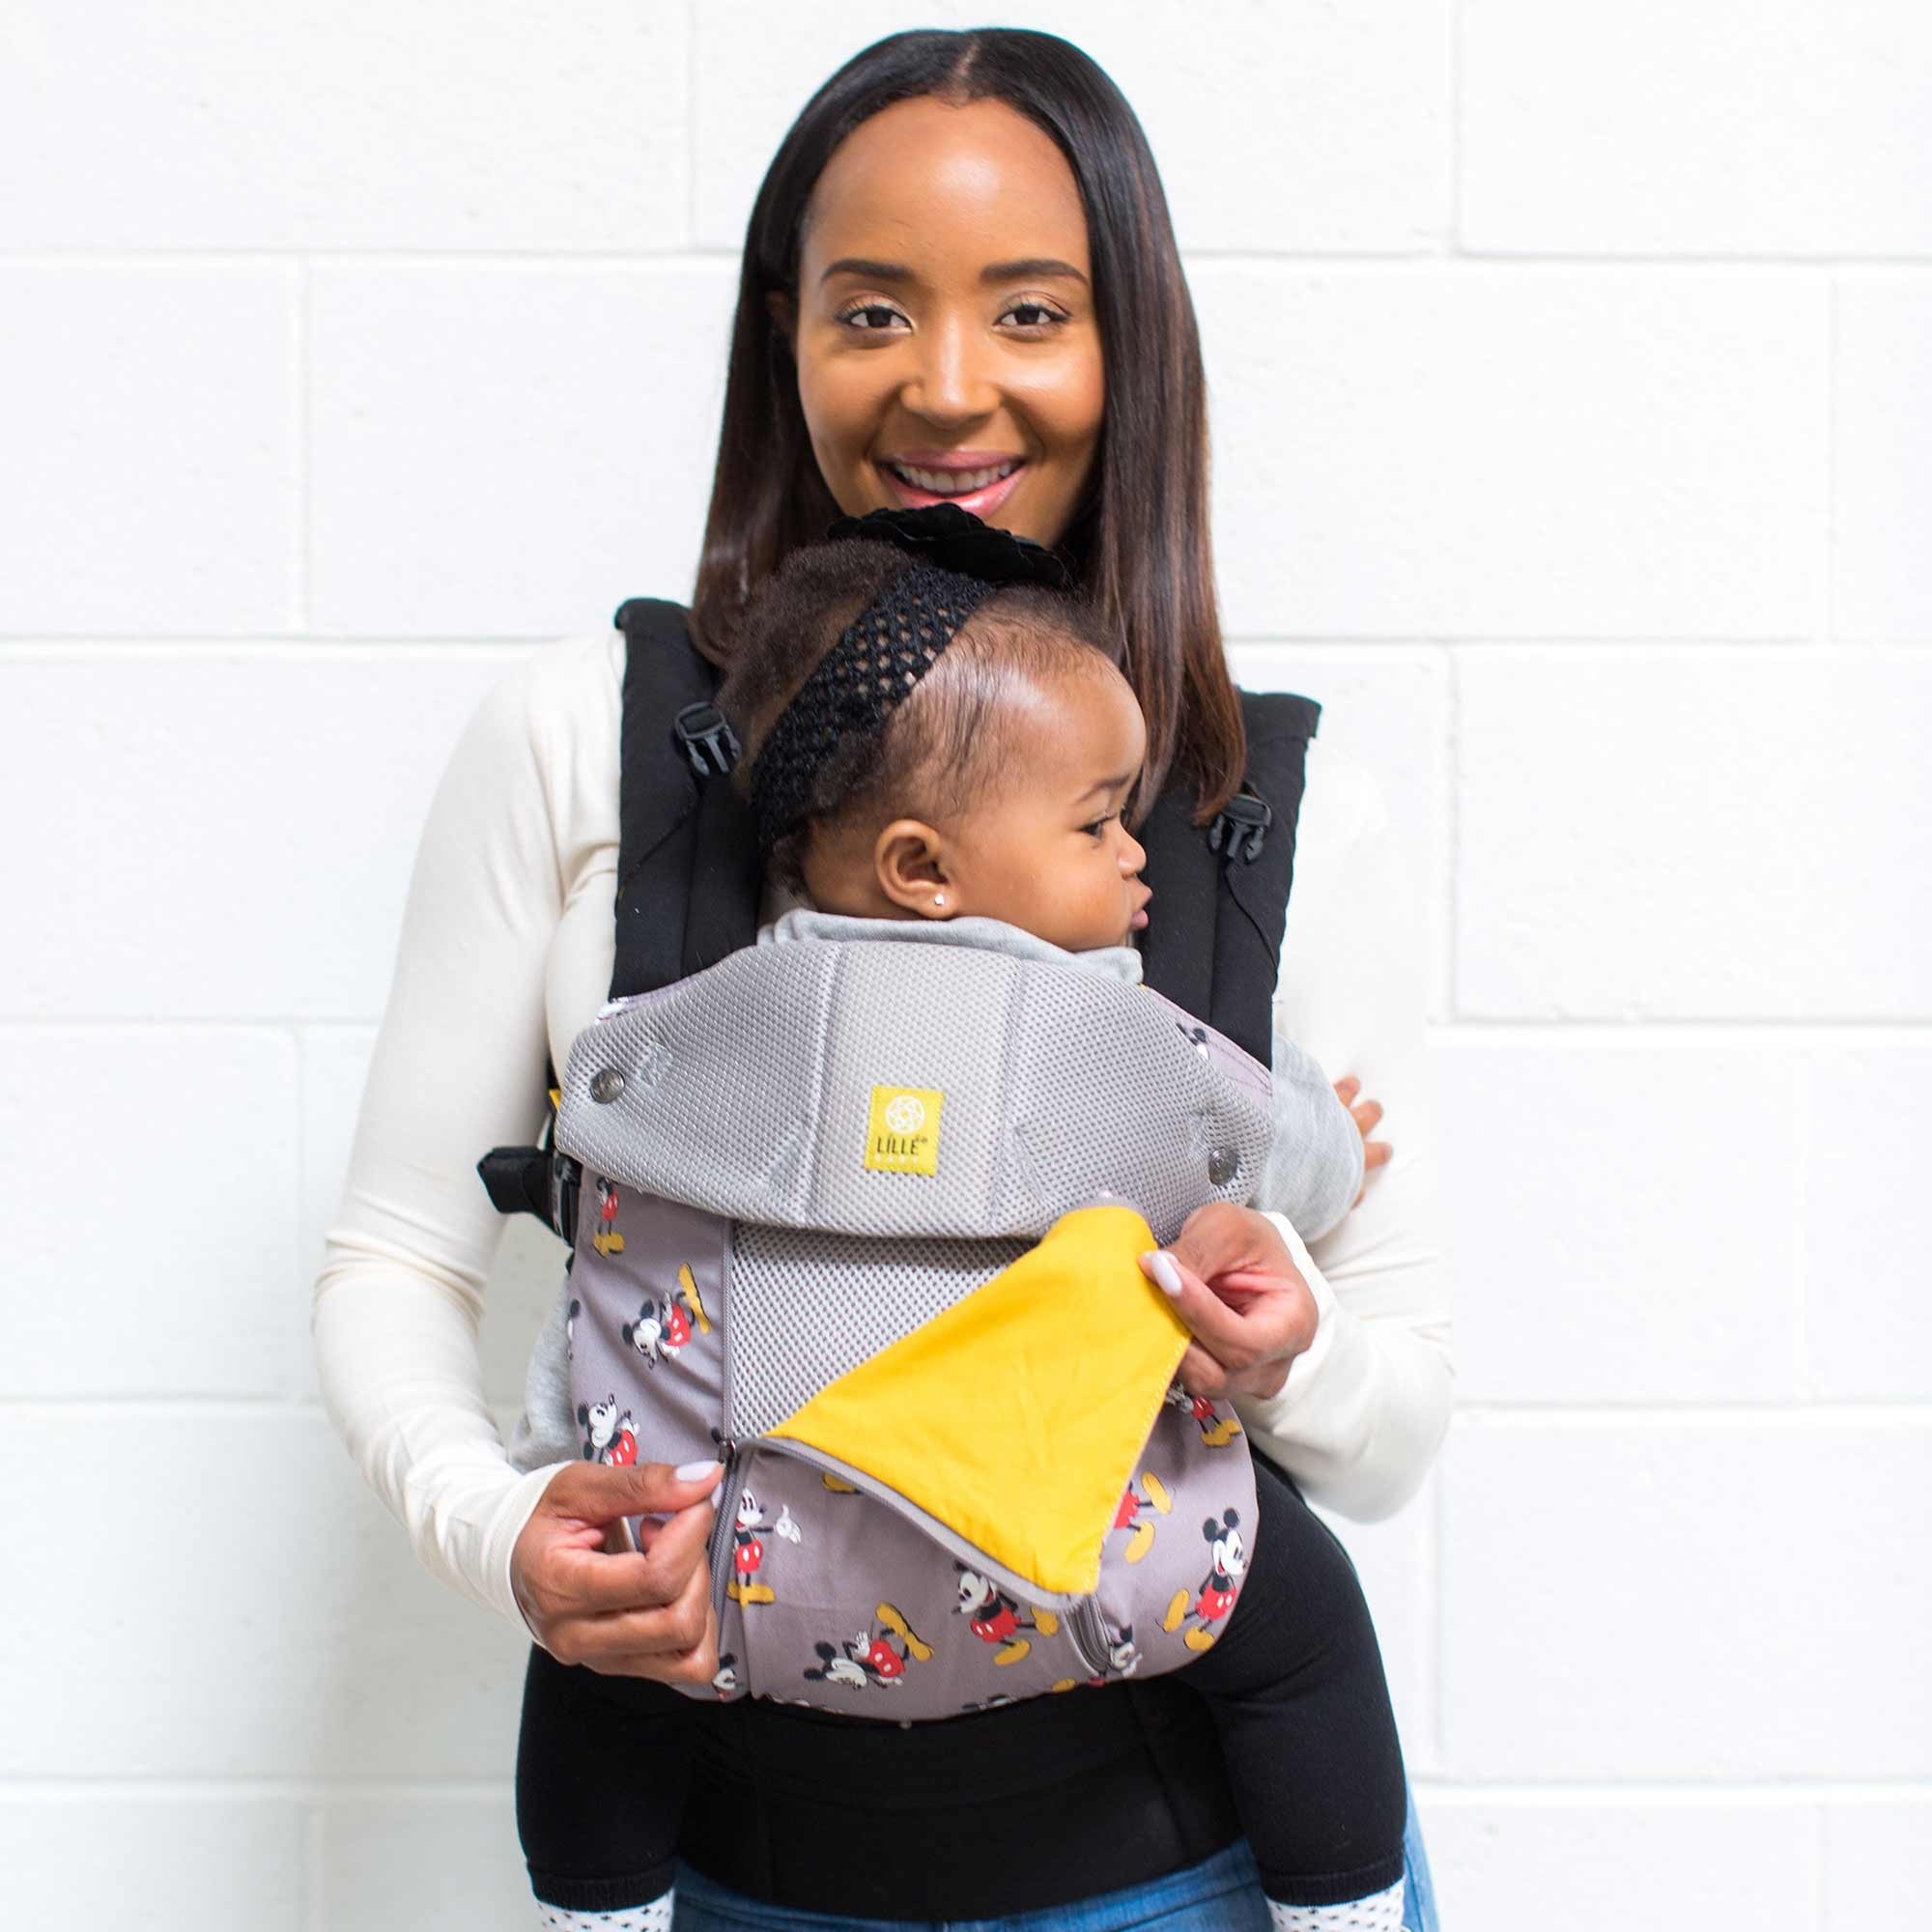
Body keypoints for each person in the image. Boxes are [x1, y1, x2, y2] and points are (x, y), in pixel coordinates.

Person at [312, 25, 1452, 1931]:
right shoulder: (582, 741)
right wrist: (502, 1530)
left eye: (1031, 310)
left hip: (1192, 1875)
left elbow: (1400, 1421)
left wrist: (1290, 1353)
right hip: (729, 1869)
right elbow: (394, 1260)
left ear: (1131, 348)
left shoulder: (1269, 810)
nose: (946, 383)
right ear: (787, 337)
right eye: (871, 310)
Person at [510, 509, 1411, 1930]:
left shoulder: (683, 1027)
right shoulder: (1134, 1037)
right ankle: (1343, 1911)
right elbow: (1280, 1153)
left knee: (601, 1661)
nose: (1137, 858)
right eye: (1098, 822)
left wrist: (540, 1453)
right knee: (1304, 1634)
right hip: (1094, 1556)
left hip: (727, 1562)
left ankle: (593, 1913)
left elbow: (603, 1213)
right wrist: (1335, 1151)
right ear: (924, 868)